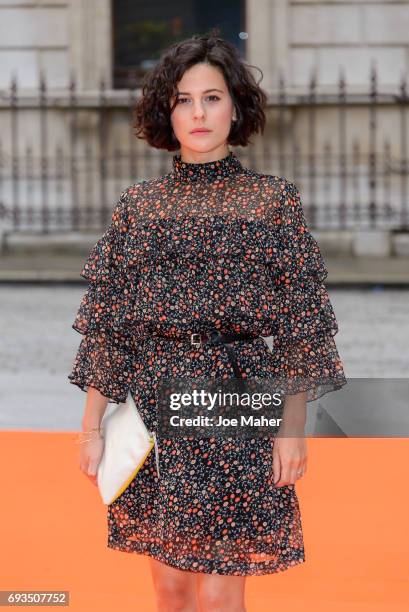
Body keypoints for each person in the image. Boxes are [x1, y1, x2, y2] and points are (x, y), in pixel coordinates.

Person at [68, 30, 347, 612]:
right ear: (164, 112)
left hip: (239, 396)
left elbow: (304, 323)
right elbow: (110, 323)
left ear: (236, 107)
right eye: (184, 99)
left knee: (221, 589)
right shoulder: (139, 207)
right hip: (154, 398)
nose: (198, 113)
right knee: (170, 588)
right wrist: (92, 425)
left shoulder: (272, 201)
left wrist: (293, 427)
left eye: (213, 97)